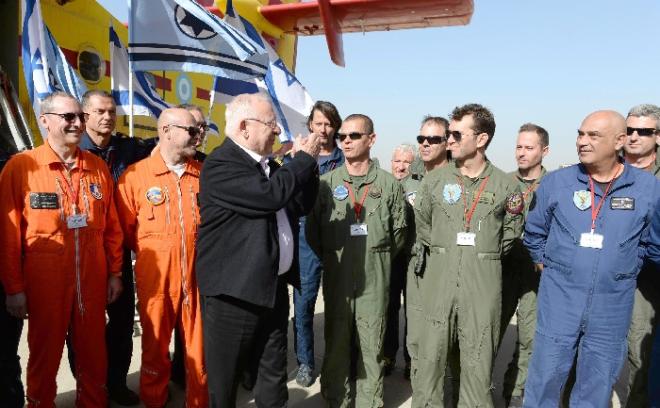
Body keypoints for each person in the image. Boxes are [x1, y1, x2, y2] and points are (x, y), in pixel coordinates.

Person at [522, 110, 660, 407]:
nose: (582, 141)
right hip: (560, 299)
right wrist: (553, 268)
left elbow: (649, 242)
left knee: (596, 384)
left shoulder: (648, 189)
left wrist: (623, 269)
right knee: (545, 379)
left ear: (619, 141)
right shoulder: (557, 183)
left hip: (612, 304)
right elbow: (534, 233)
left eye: (593, 135)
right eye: (580, 134)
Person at [0, 91, 124, 407]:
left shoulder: (97, 167)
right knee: (44, 355)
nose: (77, 123)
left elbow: (111, 227)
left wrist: (115, 273)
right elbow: (8, 235)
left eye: (80, 116)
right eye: (69, 117)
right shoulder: (21, 167)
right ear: (45, 121)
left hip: (92, 281)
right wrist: (14, 289)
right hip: (45, 282)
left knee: (94, 355)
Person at [196, 93, 320, 407]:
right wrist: (302, 161)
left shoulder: (269, 167)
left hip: (271, 290)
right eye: (271, 124)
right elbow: (269, 197)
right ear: (244, 127)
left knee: (273, 375)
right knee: (226, 381)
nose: (277, 131)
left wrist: (307, 167)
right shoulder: (221, 164)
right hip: (234, 294)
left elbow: (299, 204)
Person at [410, 103, 524, 407]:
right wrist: (447, 251)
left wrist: (480, 256)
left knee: (477, 362)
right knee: (430, 362)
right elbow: (423, 225)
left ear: (481, 139)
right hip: (439, 281)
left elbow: (510, 234)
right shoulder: (434, 181)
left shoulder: (506, 186)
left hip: (482, 284)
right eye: (449, 133)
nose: (449, 139)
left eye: (457, 134)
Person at [306, 113, 408, 407]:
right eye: (342, 137)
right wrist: (338, 255)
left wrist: (376, 256)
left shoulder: (389, 186)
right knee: (336, 339)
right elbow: (314, 233)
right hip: (338, 278)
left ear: (371, 139)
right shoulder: (325, 185)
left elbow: (399, 234)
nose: (346, 141)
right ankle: (337, 397)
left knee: (371, 342)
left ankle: (369, 400)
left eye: (354, 136)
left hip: (374, 279)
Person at [115, 108, 207, 407]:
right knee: (155, 349)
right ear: (166, 131)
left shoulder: (203, 175)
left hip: (197, 279)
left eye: (199, 130)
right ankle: (155, 400)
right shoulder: (135, 177)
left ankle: (198, 401)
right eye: (191, 131)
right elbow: (123, 232)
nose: (198, 136)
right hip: (156, 281)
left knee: (199, 350)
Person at [76, 89, 154, 405]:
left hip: (118, 252)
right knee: (82, 328)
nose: (108, 117)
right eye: (100, 112)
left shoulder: (128, 149)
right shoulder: (72, 150)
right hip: (82, 254)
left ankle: (116, 383)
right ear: (84, 116)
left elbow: (163, 148)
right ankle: (89, 386)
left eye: (111, 111)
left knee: (121, 324)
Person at [291, 100, 344, 387]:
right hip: (304, 240)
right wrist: (297, 160)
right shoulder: (298, 157)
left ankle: (338, 362)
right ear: (310, 124)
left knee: (340, 306)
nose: (323, 129)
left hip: (337, 239)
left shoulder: (345, 159)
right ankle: (305, 362)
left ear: (335, 127)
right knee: (303, 305)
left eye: (328, 124)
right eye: (318, 123)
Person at [499, 123, 549, 408]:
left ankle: (515, 392)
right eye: (519, 146)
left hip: (535, 274)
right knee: (490, 332)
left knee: (529, 338)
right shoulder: (502, 182)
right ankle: (476, 389)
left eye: (529, 147)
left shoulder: (555, 185)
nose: (522, 152)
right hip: (503, 270)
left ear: (544, 151)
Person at [622, 103, 660, 408]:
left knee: (639, 350)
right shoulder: (605, 168)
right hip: (605, 272)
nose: (634, 136)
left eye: (643, 131)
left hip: (647, 278)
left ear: (658, 136)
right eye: (629, 130)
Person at [384, 143, 416, 378]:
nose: (401, 166)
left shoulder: (420, 187)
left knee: (413, 312)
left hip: (412, 258)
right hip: (390, 257)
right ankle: (388, 356)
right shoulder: (383, 185)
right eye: (397, 161)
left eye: (406, 162)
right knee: (389, 307)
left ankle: (411, 360)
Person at [0, 116, 23, 407]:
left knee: (5, 353)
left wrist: (14, 288)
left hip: (3, 276)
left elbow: (12, 234)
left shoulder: (11, 165)